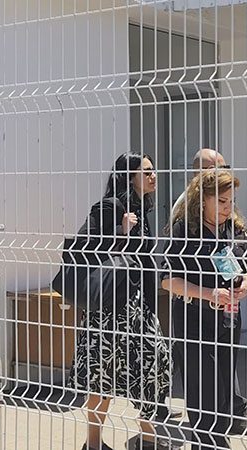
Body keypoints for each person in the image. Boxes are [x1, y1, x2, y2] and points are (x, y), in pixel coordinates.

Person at [65, 152, 174, 450]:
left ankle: (148, 438)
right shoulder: (110, 207)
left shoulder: (142, 209)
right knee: (102, 378)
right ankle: (94, 443)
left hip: (138, 310)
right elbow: (80, 248)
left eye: (153, 170)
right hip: (109, 311)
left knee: (153, 367)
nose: (153, 176)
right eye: (146, 171)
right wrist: (119, 231)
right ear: (129, 176)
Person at [162, 169, 247, 450]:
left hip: (228, 319)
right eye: (221, 201)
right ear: (202, 199)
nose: (227, 207)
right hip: (193, 318)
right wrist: (208, 293)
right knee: (202, 393)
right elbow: (167, 280)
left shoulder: (235, 229)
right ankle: (206, 444)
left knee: (223, 392)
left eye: (231, 201)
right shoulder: (184, 231)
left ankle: (217, 442)